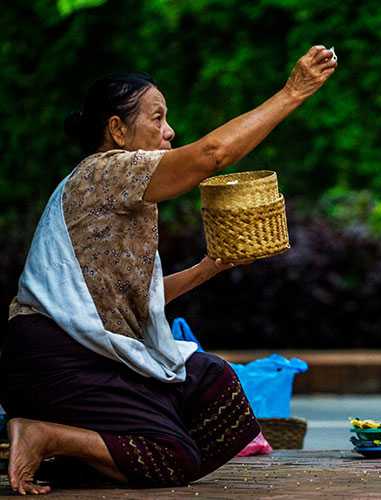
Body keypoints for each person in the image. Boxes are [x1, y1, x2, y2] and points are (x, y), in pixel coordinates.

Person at [0, 45, 336, 495]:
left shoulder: (121, 191)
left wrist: (208, 268)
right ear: (116, 130)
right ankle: (46, 434)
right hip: (55, 358)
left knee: (214, 385)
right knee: (173, 457)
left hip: (84, 352)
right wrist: (293, 92)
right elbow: (212, 155)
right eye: (157, 118)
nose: (169, 131)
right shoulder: (108, 171)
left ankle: (72, 452)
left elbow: (133, 301)